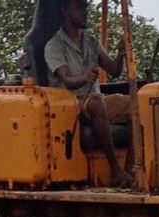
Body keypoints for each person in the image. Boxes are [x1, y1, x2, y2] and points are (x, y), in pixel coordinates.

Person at [45, 0, 133, 188]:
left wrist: (121, 53)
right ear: (65, 10)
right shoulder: (54, 46)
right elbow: (67, 80)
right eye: (80, 7)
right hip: (70, 106)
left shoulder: (91, 40)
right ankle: (115, 169)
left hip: (95, 99)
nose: (86, 12)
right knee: (95, 102)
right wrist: (85, 77)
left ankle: (131, 171)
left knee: (139, 105)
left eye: (86, 7)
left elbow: (114, 70)